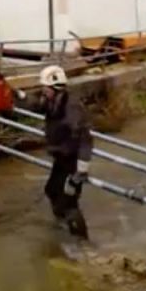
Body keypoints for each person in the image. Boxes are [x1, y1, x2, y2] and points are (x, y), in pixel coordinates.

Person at [38, 65, 92, 239]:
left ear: (55, 88)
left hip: (73, 161)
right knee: (52, 190)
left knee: (69, 200)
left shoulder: (72, 109)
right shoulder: (53, 102)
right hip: (61, 157)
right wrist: (19, 96)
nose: (43, 92)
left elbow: (85, 138)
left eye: (45, 88)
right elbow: (36, 105)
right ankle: (62, 224)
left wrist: (82, 169)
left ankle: (81, 242)